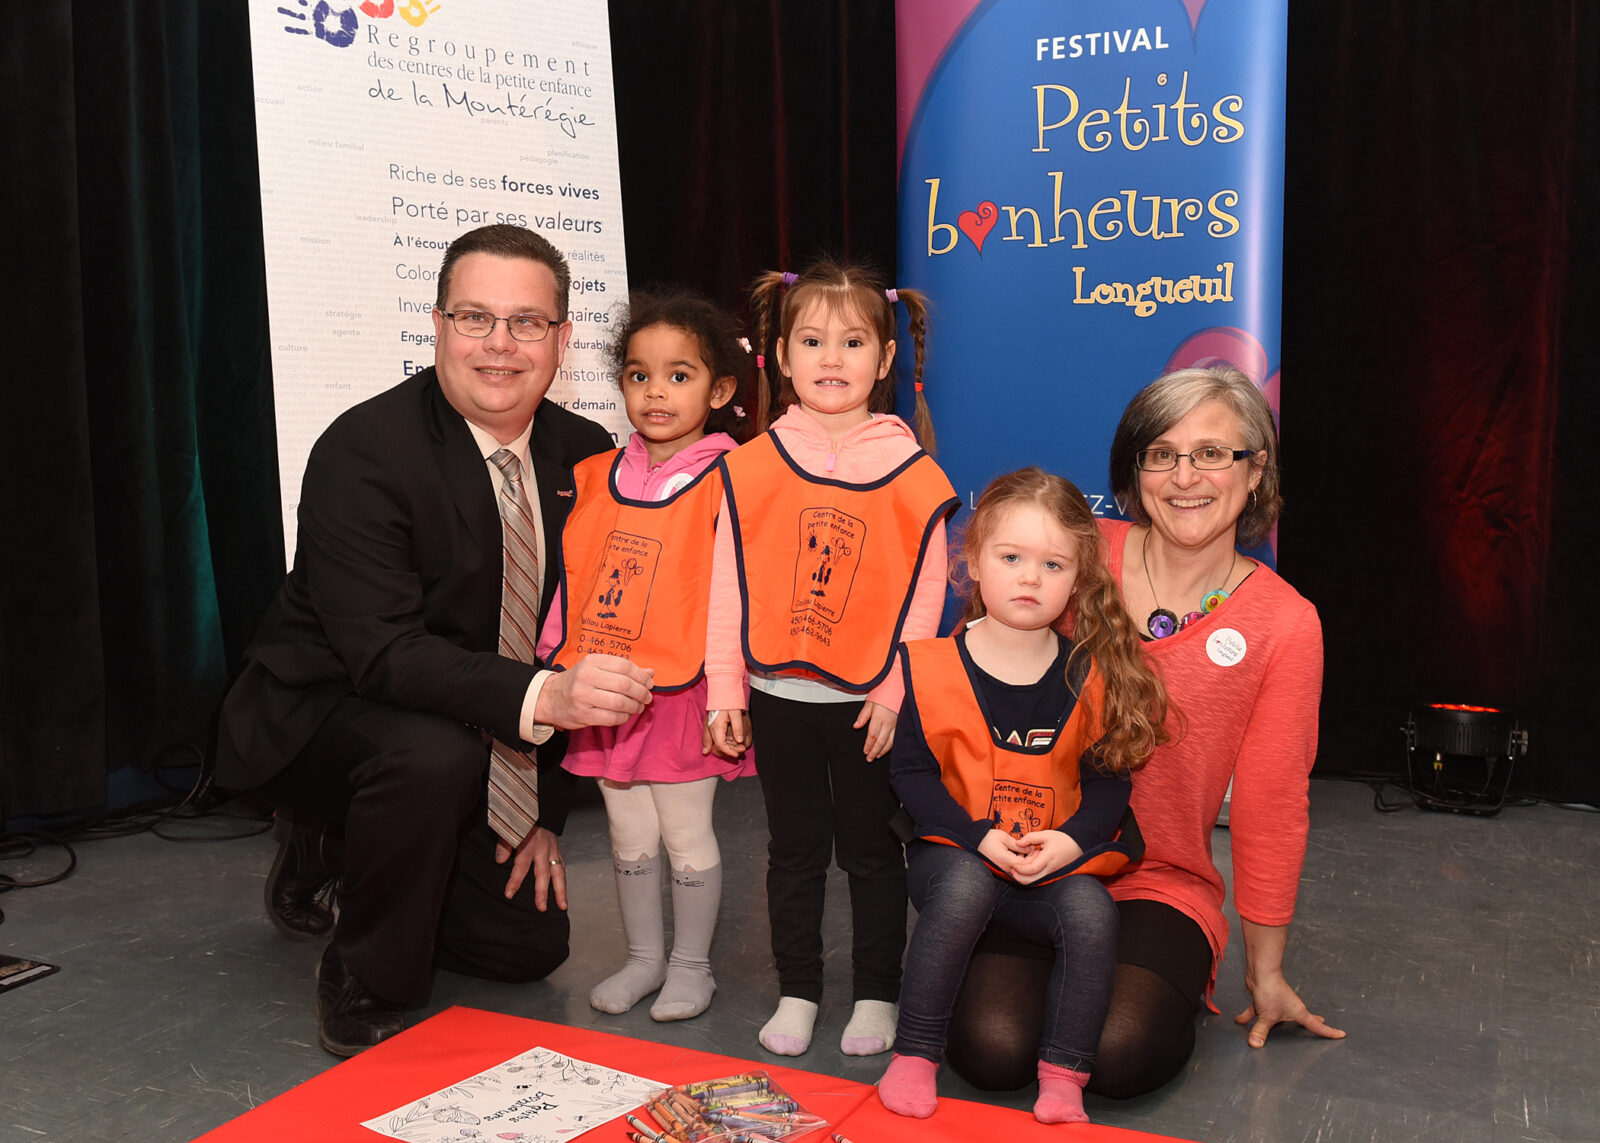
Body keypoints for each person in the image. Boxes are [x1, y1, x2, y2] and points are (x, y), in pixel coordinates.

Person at [214, 224, 655, 1057]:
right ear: (438, 325)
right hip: (324, 711)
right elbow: (382, 654)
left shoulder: (586, 454)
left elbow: (578, 636)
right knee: (428, 755)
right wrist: (547, 698)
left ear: (561, 338)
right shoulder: (363, 450)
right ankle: (364, 969)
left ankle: (351, 847)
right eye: (475, 317)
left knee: (525, 950)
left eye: (527, 322)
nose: (500, 344)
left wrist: (542, 814)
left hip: (478, 721)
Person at [943, 364, 1343, 1098]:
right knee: (990, 1048)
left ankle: (1146, 977)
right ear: (1136, 471)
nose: (1185, 477)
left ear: (1255, 471)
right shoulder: (1073, 553)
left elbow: (1271, 808)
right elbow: (971, 676)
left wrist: (1266, 972)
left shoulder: (1286, 624)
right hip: (1030, 858)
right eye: (1162, 454)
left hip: (1160, 882)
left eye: (1212, 453)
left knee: (1118, 1053)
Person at [705, 260, 956, 1058]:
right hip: (777, 696)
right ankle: (799, 988)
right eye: (811, 341)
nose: (832, 358)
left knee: (873, 853)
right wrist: (725, 687)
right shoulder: (751, 465)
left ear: (886, 359)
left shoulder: (910, 470)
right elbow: (728, 581)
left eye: (853, 341)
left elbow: (926, 592)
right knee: (793, 853)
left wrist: (894, 691)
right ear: (781, 355)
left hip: (869, 707)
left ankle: (877, 991)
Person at [877, 468, 1169, 1124]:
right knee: (964, 889)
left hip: (1047, 864)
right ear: (975, 561)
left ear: (1078, 577)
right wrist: (977, 837)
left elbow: (1109, 784)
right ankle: (914, 1054)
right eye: (1011, 558)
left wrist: (1068, 842)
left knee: (1091, 911)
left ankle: (1064, 1076)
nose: (1030, 578)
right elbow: (912, 777)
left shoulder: (1089, 674)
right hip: (956, 854)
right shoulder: (929, 665)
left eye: (1052, 564)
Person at [534, 289, 755, 1022]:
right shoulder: (594, 474)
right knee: (628, 832)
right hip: (604, 688)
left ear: (719, 390)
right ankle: (643, 958)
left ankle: (692, 967)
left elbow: (736, 596)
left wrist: (730, 692)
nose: (656, 391)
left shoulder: (736, 480)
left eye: (679, 375)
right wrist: (554, 657)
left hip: (684, 694)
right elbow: (576, 573)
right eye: (639, 375)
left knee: (686, 833)